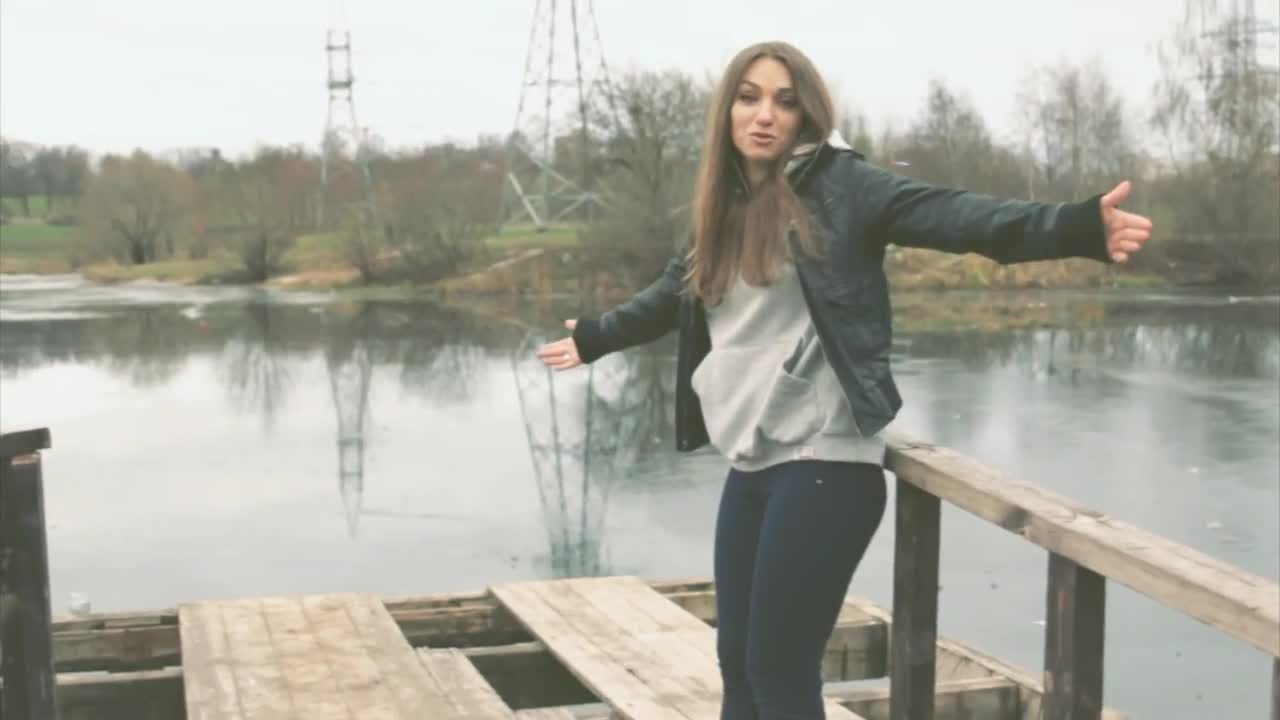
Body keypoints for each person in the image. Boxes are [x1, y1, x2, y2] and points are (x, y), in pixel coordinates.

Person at [535, 41, 1153, 720]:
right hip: (753, 463)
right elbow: (673, 292)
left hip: (825, 465)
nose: (765, 115)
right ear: (727, 112)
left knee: (779, 671)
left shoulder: (844, 186)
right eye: (749, 97)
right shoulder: (727, 204)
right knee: (738, 665)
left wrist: (1074, 227)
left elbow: (957, 216)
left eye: (784, 101)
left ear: (806, 114)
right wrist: (595, 338)